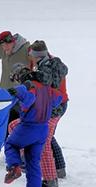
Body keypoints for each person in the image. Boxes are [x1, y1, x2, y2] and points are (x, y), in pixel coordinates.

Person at [3, 64, 62, 187]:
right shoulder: (47, 89)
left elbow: (17, 99)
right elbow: (58, 99)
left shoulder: (26, 87)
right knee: (33, 163)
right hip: (43, 129)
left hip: (28, 126)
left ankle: (14, 167)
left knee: (10, 143)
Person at [28, 40, 69, 179]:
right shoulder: (52, 63)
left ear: (37, 55)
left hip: (55, 105)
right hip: (61, 103)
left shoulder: (46, 69)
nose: (30, 58)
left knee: (46, 138)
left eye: (31, 55)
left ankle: (56, 171)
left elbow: (46, 86)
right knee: (48, 137)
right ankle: (59, 168)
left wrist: (31, 78)